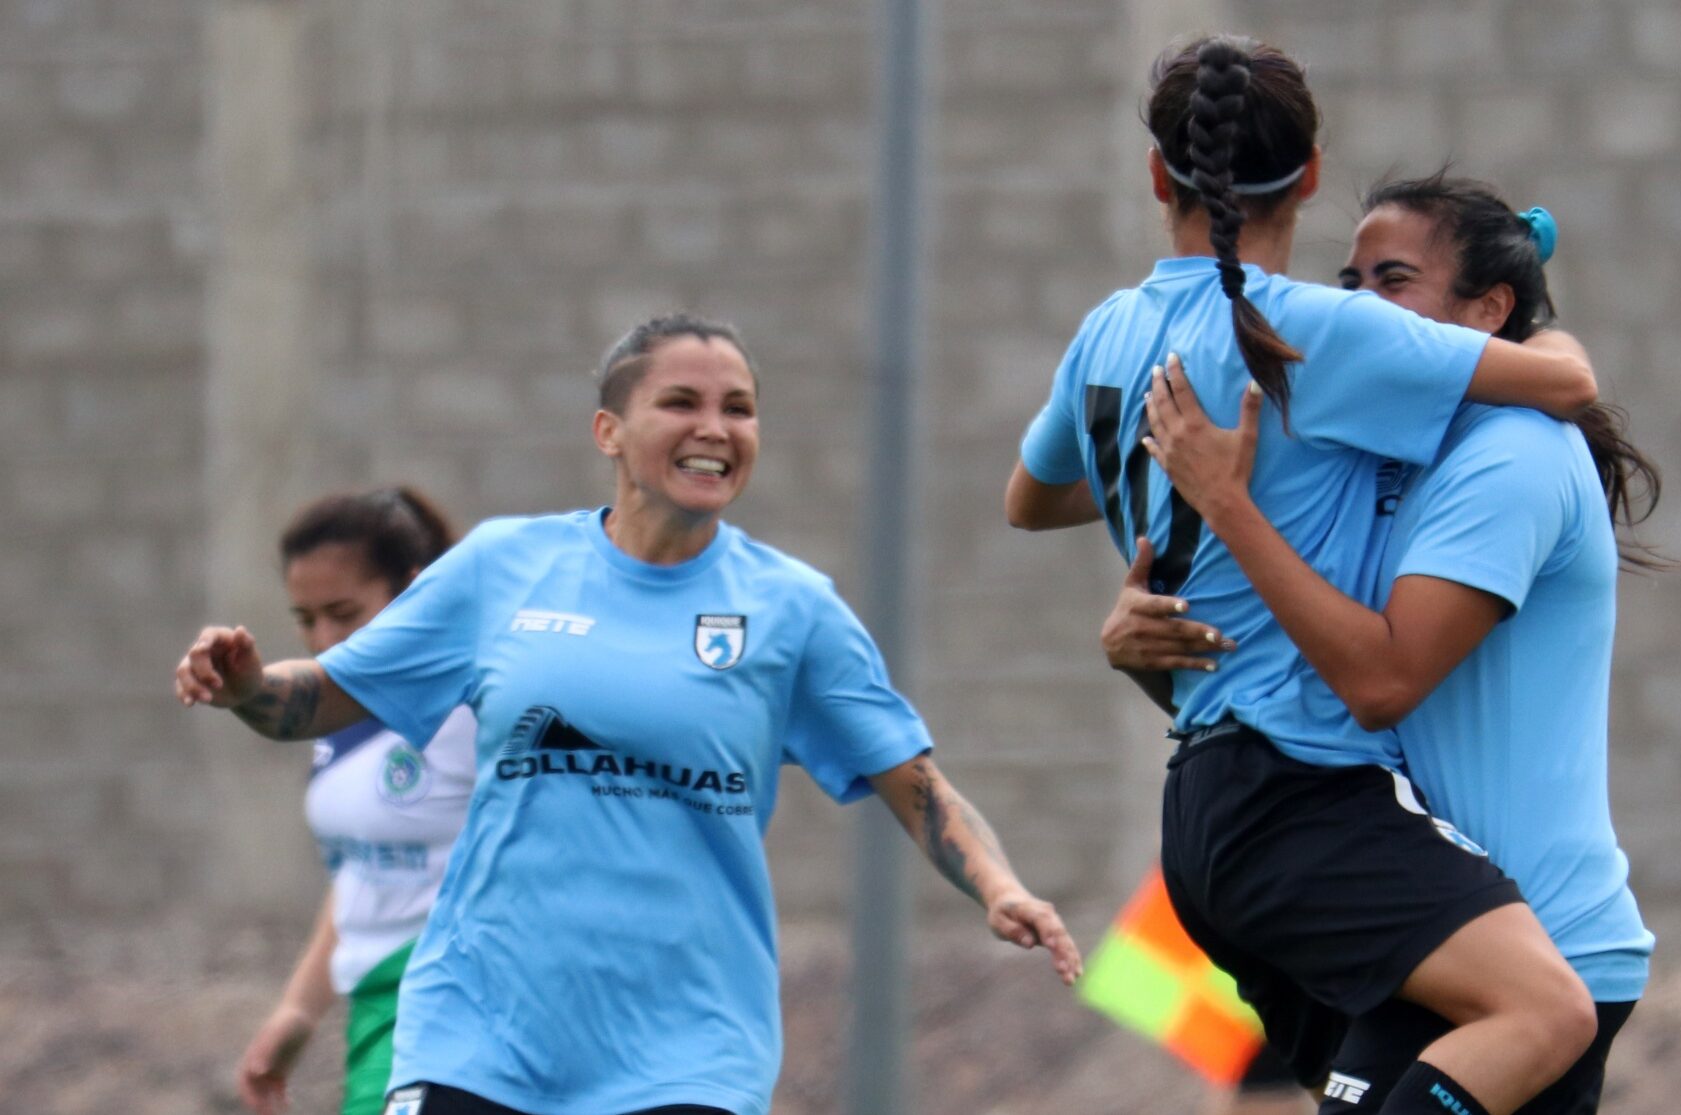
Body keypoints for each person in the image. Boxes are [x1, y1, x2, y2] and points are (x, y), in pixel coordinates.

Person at [178, 313, 1081, 1115]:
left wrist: (1001, 888)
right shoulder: (503, 566)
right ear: (609, 430)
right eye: (681, 402)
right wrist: (253, 686)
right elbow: (324, 697)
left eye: (739, 408)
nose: (714, 429)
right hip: (477, 1031)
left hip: (687, 1050)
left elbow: (916, 783)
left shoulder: (791, 608)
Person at [1008, 35, 1600, 1115]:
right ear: (1312, 173)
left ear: (1156, 176)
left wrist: (1161, 476)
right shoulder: (1315, 331)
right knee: (1545, 1013)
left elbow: (1030, 495)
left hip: (1201, 807)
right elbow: (1565, 380)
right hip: (1300, 792)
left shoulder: (1107, 331)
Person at [1111, 175, 1662, 1114]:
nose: (1357, 305)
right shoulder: (1386, 457)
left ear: (1488, 309)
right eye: (1349, 278)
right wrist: (1157, 654)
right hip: (1431, 932)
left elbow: (1381, 680)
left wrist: (1231, 506)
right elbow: (1302, 687)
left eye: (1392, 278)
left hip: (1535, 954)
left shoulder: (1515, 453)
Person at [233, 486, 474, 1115]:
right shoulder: (337, 725)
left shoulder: (475, 708)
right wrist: (297, 1011)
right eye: (306, 619)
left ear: (415, 591)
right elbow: (361, 875)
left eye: (344, 612)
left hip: (464, 1002)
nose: (324, 637)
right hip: (374, 1011)